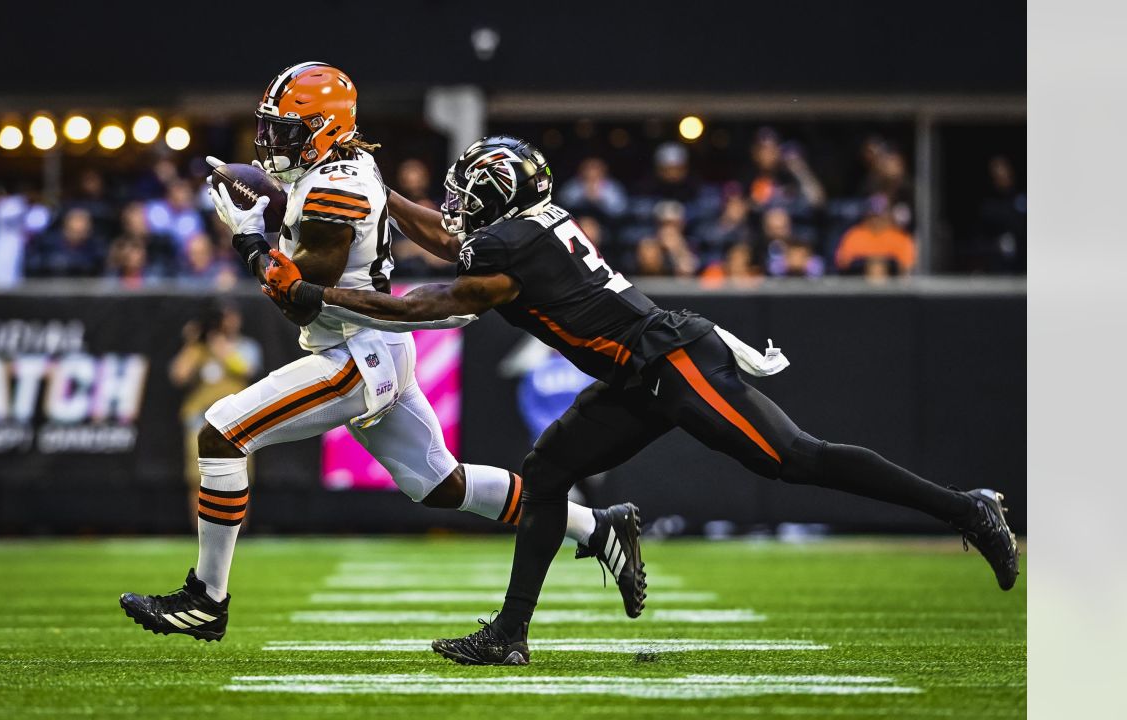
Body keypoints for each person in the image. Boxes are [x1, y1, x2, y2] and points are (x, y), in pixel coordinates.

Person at [262, 135, 1020, 666]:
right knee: (548, 468)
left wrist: (318, 293)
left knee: (794, 459)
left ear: (499, 197)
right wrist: (377, 188)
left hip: (674, 362)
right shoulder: (524, 231)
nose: (456, 203)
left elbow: (431, 302)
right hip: (640, 371)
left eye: (469, 193)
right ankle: (510, 633)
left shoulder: (509, 248)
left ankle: (967, 508)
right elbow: (446, 241)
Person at [119, 65, 639, 643]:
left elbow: (301, 301)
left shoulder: (332, 187)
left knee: (222, 433)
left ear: (324, 128)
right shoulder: (350, 163)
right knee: (441, 483)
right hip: (378, 347)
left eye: (288, 130)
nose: (273, 143)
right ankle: (595, 527)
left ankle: (206, 598)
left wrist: (247, 238)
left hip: (353, 355)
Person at [170, 302, 262, 525]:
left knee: (241, 474)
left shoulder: (246, 346)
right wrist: (192, 343)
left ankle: (239, 530)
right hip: (201, 418)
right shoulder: (198, 349)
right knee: (198, 475)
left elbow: (248, 369)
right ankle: (199, 529)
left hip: (236, 417)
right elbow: (178, 375)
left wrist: (221, 347)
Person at [835, 194, 916, 277]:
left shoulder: (900, 237)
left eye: (880, 216)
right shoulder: (854, 235)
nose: (876, 220)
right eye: (873, 216)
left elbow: (907, 266)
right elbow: (843, 264)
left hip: (893, 286)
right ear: (866, 215)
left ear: (889, 215)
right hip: (859, 285)